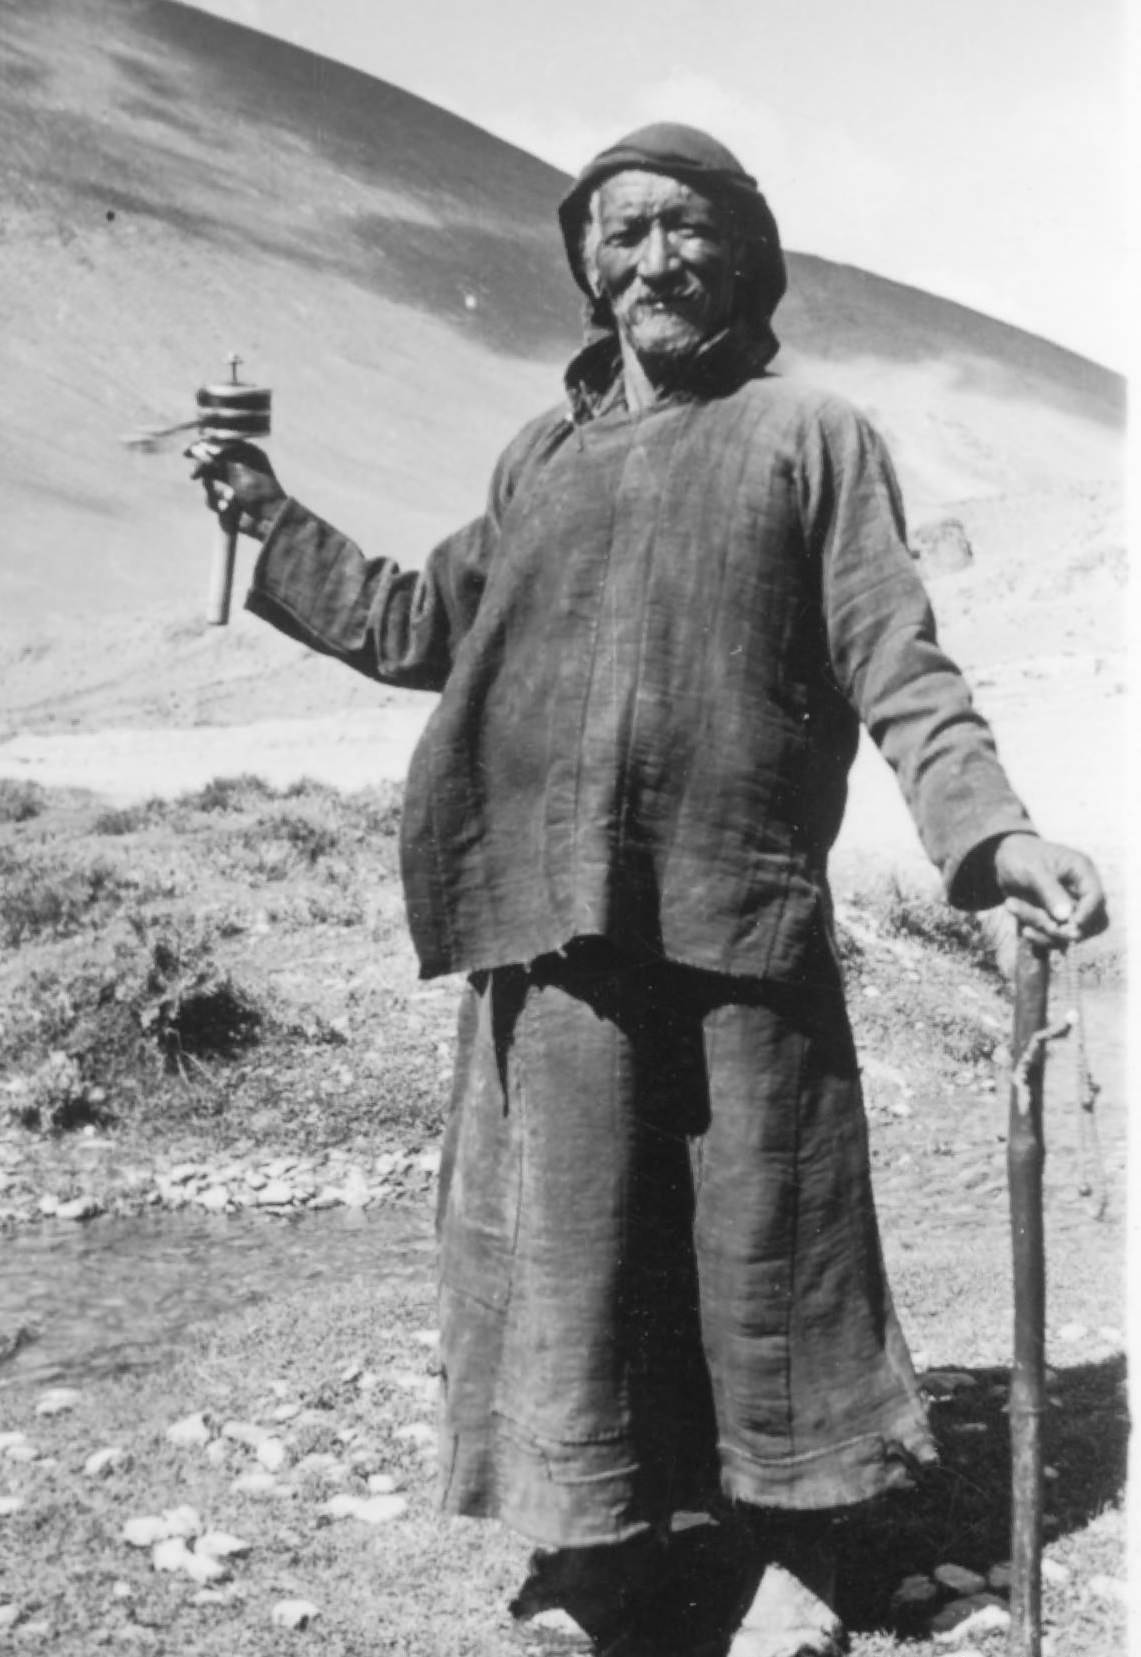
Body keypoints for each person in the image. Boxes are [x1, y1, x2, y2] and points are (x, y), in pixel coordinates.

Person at [189, 124, 1106, 1657]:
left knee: (766, 1244)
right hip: (553, 922)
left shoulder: (808, 436)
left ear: (741, 254)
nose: (650, 263)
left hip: (733, 912)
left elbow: (898, 657)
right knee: (579, 1246)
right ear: (584, 266)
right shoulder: (537, 460)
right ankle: (597, 1557)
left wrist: (990, 836)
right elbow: (423, 625)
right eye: (617, 236)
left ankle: (792, 1544)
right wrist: (268, 520)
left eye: (683, 230)